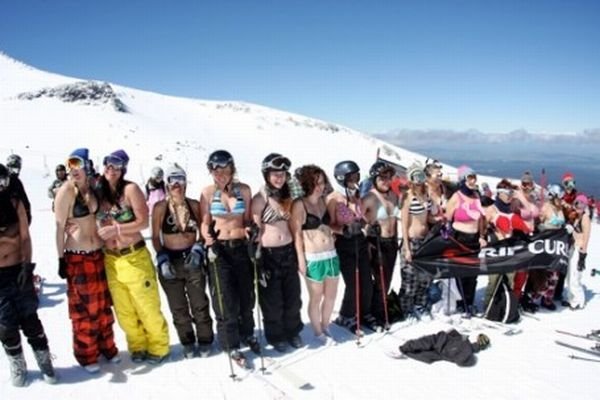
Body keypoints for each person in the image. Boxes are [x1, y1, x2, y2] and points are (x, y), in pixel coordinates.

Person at [96, 149, 170, 364]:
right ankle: (137, 346)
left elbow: (143, 222)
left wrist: (117, 230)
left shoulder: (130, 189)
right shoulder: (98, 191)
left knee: (146, 306)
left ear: (123, 169)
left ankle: (159, 346)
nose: (111, 168)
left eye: (117, 165)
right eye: (108, 163)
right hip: (111, 259)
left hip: (134, 257)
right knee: (124, 310)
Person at [54, 148, 119, 372]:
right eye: (69, 164)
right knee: (84, 310)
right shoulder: (66, 191)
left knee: (102, 305)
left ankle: (106, 347)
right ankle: (87, 355)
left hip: (97, 254)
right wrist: (61, 258)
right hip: (78, 257)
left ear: (87, 166)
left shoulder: (92, 188)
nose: (73, 169)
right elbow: (60, 227)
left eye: (77, 164)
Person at [0, 163, 57, 386]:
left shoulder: (15, 204)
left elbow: (25, 237)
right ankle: (17, 365)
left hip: (18, 270)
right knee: (5, 325)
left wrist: (27, 266)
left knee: (30, 319)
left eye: (2, 182)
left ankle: (44, 362)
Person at [199, 150, 257, 364]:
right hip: (220, 249)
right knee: (224, 298)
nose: (221, 174)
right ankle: (230, 343)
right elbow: (204, 222)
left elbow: (248, 218)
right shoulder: (207, 193)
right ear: (211, 171)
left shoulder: (244, 190)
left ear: (232, 169)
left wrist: (252, 229)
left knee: (246, 294)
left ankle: (248, 333)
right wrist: (208, 239)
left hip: (241, 247)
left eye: (225, 169)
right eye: (216, 170)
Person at [152, 164, 214, 358]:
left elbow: (204, 230)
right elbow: (154, 236)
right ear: (167, 183)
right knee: (178, 306)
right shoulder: (160, 207)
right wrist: (162, 258)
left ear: (185, 182)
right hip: (171, 259)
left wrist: (198, 248)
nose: (176, 184)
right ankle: (187, 341)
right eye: (172, 180)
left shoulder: (193, 205)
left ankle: (205, 339)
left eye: (180, 179)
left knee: (199, 302)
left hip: (191, 259)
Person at [251, 153, 303, 352]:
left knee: (292, 297)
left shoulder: (286, 197)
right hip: (269, 255)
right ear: (266, 175)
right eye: (275, 174)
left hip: (287, 251)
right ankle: (276, 335)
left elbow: (293, 227)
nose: (279, 178)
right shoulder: (260, 199)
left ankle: (293, 331)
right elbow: (255, 231)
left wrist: (299, 256)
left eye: (282, 174)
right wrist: (257, 258)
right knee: (272, 299)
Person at [290, 165, 339, 345]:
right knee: (316, 297)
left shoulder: (324, 201)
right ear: (307, 184)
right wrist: (301, 260)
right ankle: (318, 332)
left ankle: (325, 326)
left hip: (331, 254)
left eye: (321, 182)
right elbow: (296, 234)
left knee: (332, 295)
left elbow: (330, 225)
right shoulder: (299, 204)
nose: (319, 186)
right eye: (315, 183)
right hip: (313, 256)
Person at [329, 160, 379, 333]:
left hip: (360, 241)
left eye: (356, 175)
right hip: (344, 244)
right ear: (342, 178)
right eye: (351, 176)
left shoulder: (356, 195)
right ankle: (346, 315)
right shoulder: (334, 198)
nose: (355, 179)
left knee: (367, 282)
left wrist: (367, 225)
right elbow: (328, 223)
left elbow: (360, 216)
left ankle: (364, 312)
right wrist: (343, 230)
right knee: (353, 284)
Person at [362, 161, 400, 327]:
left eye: (388, 177)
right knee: (378, 281)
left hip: (391, 243)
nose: (386, 180)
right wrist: (368, 231)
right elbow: (358, 220)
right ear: (374, 179)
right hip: (376, 242)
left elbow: (395, 220)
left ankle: (381, 310)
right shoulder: (369, 197)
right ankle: (372, 313)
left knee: (387, 280)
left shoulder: (393, 195)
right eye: (382, 177)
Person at [482, 179, 531, 309]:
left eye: (511, 192)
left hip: (510, 249)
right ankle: (488, 307)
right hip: (496, 249)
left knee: (509, 280)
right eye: (506, 192)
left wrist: (520, 196)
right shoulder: (491, 209)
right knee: (494, 280)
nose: (509, 195)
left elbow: (529, 216)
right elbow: (482, 227)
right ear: (499, 193)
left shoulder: (513, 209)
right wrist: (488, 237)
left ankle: (504, 306)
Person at [445, 165, 487, 314]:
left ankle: (469, 301)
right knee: (461, 272)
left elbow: (482, 217)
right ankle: (460, 302)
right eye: (469, 178)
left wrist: (482, 236)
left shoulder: (476, 195)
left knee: (473, 273)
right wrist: (447, 235)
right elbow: (447, 218)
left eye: (474, 177)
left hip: (474, 239)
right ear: (463, 180)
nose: (473, 181)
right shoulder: (457, 196)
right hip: (459, 238)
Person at [398, 163, 437, 318]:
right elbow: (404, 224)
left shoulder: (427, 195)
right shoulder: (408, 197)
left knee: (425, 277)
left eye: (421, 176)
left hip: (425, 240)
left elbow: (428, 217)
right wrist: (406, 248)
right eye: (415, 177)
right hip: (412, 240)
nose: (419, 180)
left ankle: (420, 304)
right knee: (410, 278)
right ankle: (406, 309)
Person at [531, 184, 567, 310]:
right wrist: (543, 228)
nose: (561, 199)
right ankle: (535, 296)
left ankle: (548, 299)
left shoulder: (560, 208)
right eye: (559, 196)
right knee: (543, 273)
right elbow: (538, 224)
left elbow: (562, 223)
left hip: (556, 245)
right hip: (546, 243)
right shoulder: (546, 207)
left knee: (555, 274)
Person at [512, 171, 540, 311]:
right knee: (519, 270)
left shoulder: (533, 198)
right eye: (524, 184)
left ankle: (521, 296)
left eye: (528, 184)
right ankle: (514, 299)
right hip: (519, 237)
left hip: (531, 237)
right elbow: (513, 211)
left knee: (527, 270)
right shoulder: (517, 197)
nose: (526, 186)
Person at [564, 194, 591, 310]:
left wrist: (582, 255)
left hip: (579, 249)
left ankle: (578, 301)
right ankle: (571, 298)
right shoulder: (576, 217)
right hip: (572, 248)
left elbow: (586, 237)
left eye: (582, 204)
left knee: (575, 276)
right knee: (569, 274)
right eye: (577, 203)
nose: (579, 206)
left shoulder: (585, 218)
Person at [6, 154, 32, 225]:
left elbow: (24, 200)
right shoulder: (4, 180)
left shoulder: (17, 182)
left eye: (16, 170)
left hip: (15, 219)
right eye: (12, 170)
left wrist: (27, 215)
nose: (14, 172)